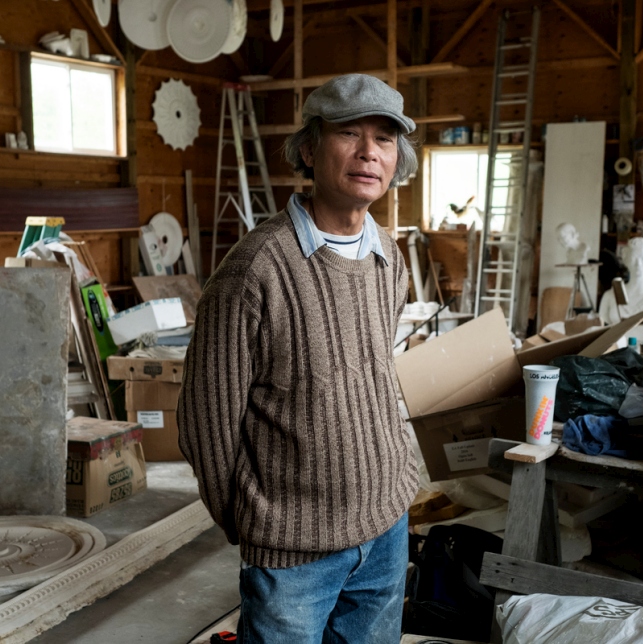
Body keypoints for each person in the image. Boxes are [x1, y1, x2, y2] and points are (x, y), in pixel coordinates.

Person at [178, 73, 419, 643]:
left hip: (387, 525)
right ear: (309, 148)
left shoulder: (389, 255)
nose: (369, 152)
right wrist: (256, 522)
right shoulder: (254, 269)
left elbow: (371, 377)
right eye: (349, 133)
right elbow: (206, 425)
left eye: (384, 139)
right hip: (294, 552)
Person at [597, 236, 643, 324]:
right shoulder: (610, 296)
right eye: (634, 257)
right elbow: (600, 325)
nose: (638, 263)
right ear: (625, 260)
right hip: (618, 338)